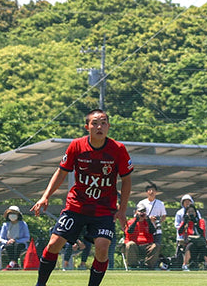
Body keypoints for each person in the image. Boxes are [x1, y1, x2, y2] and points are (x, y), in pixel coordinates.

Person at [31, 109, 133, 286]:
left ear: (108, 126)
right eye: (95, 123)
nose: (99, 127)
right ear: (87, 127)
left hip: (104, 210)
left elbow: (126, 180)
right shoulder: (76, 146)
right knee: (54, 243)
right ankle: (40, 284)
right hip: (76, 206)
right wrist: (45, 196)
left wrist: (122, 210)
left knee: (102, 248)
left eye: (103, 123)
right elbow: (61, 172)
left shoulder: (118, 149)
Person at [124, 201, 161, 269]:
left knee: (156, 246)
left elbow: (153, 231)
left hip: (146, 246)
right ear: (136, 212)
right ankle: (133, 266)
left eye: (143, 211)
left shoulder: (148, 222)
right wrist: (136, 220)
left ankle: (148, 266)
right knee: (130, 244)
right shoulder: (130, 222)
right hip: (135, 247)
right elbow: (129, 231)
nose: (142, 213)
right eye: (140, 211)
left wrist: (148, 221)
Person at [177, 204, 207, 271]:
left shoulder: (200, 221)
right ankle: (185, 264)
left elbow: (201, 232)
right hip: (190, 242)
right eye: (189, 212)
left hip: (200, 242)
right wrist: (185, 222)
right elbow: (180, 232)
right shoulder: (185, 222)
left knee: (205, 248)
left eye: (192, 212)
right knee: (190, 246)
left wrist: (195, 223)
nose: (191, 213)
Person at [0, 205, 30, 269]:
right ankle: (14, 264)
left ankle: (12, 263)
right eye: (11, 213)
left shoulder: (23, 224)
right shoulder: (5, 225)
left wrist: (16, 241)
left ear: (18, 215)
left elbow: (27, 237)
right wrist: (7, 241)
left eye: (14, 213)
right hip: (8, 243)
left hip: (20, 243)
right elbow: (1, 238)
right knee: (9, 246)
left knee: (17, 246)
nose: (12, 215)